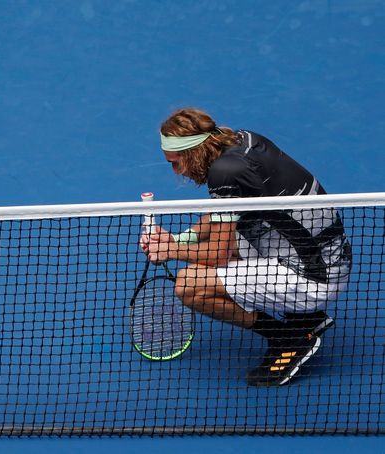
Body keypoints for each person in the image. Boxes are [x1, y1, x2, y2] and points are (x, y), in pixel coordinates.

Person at [140, 108, 352, 386]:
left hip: (316, 277)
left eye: (175, 162)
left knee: (189, 284)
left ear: (192, 153)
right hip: (324, 253)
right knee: (221, 245)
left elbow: (218, 254)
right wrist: (179, 240)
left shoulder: (225, 172)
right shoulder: (240, 142)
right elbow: (221, 213)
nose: (176, 171)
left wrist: (170, 251)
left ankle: (289, 338)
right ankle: (306, 318)